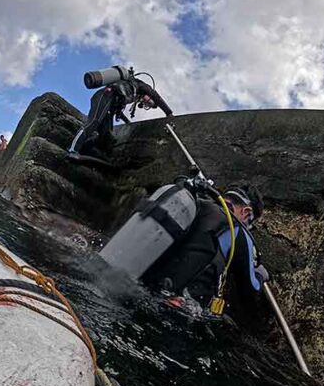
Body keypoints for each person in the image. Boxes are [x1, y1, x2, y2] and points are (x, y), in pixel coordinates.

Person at [143, 183, 269, 313]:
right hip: (179, 305)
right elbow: (251, 288)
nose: (248, 228)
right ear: (246, 212)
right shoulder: (238, 231)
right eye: (250, 224)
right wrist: (260, 274)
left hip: (147, 284)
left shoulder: (196, 205)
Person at [69, 72, 173, 158]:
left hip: (109, 103)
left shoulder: (131, 93)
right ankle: (73, 149)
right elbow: (157, 97)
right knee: (93, 123)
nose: (147, 103)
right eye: (149, 102)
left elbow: (118, 111)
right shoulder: (141, 85)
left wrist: (127, 121)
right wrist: (169, 113)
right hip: (105, 96)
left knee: (106, 135)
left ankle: (85, 150)